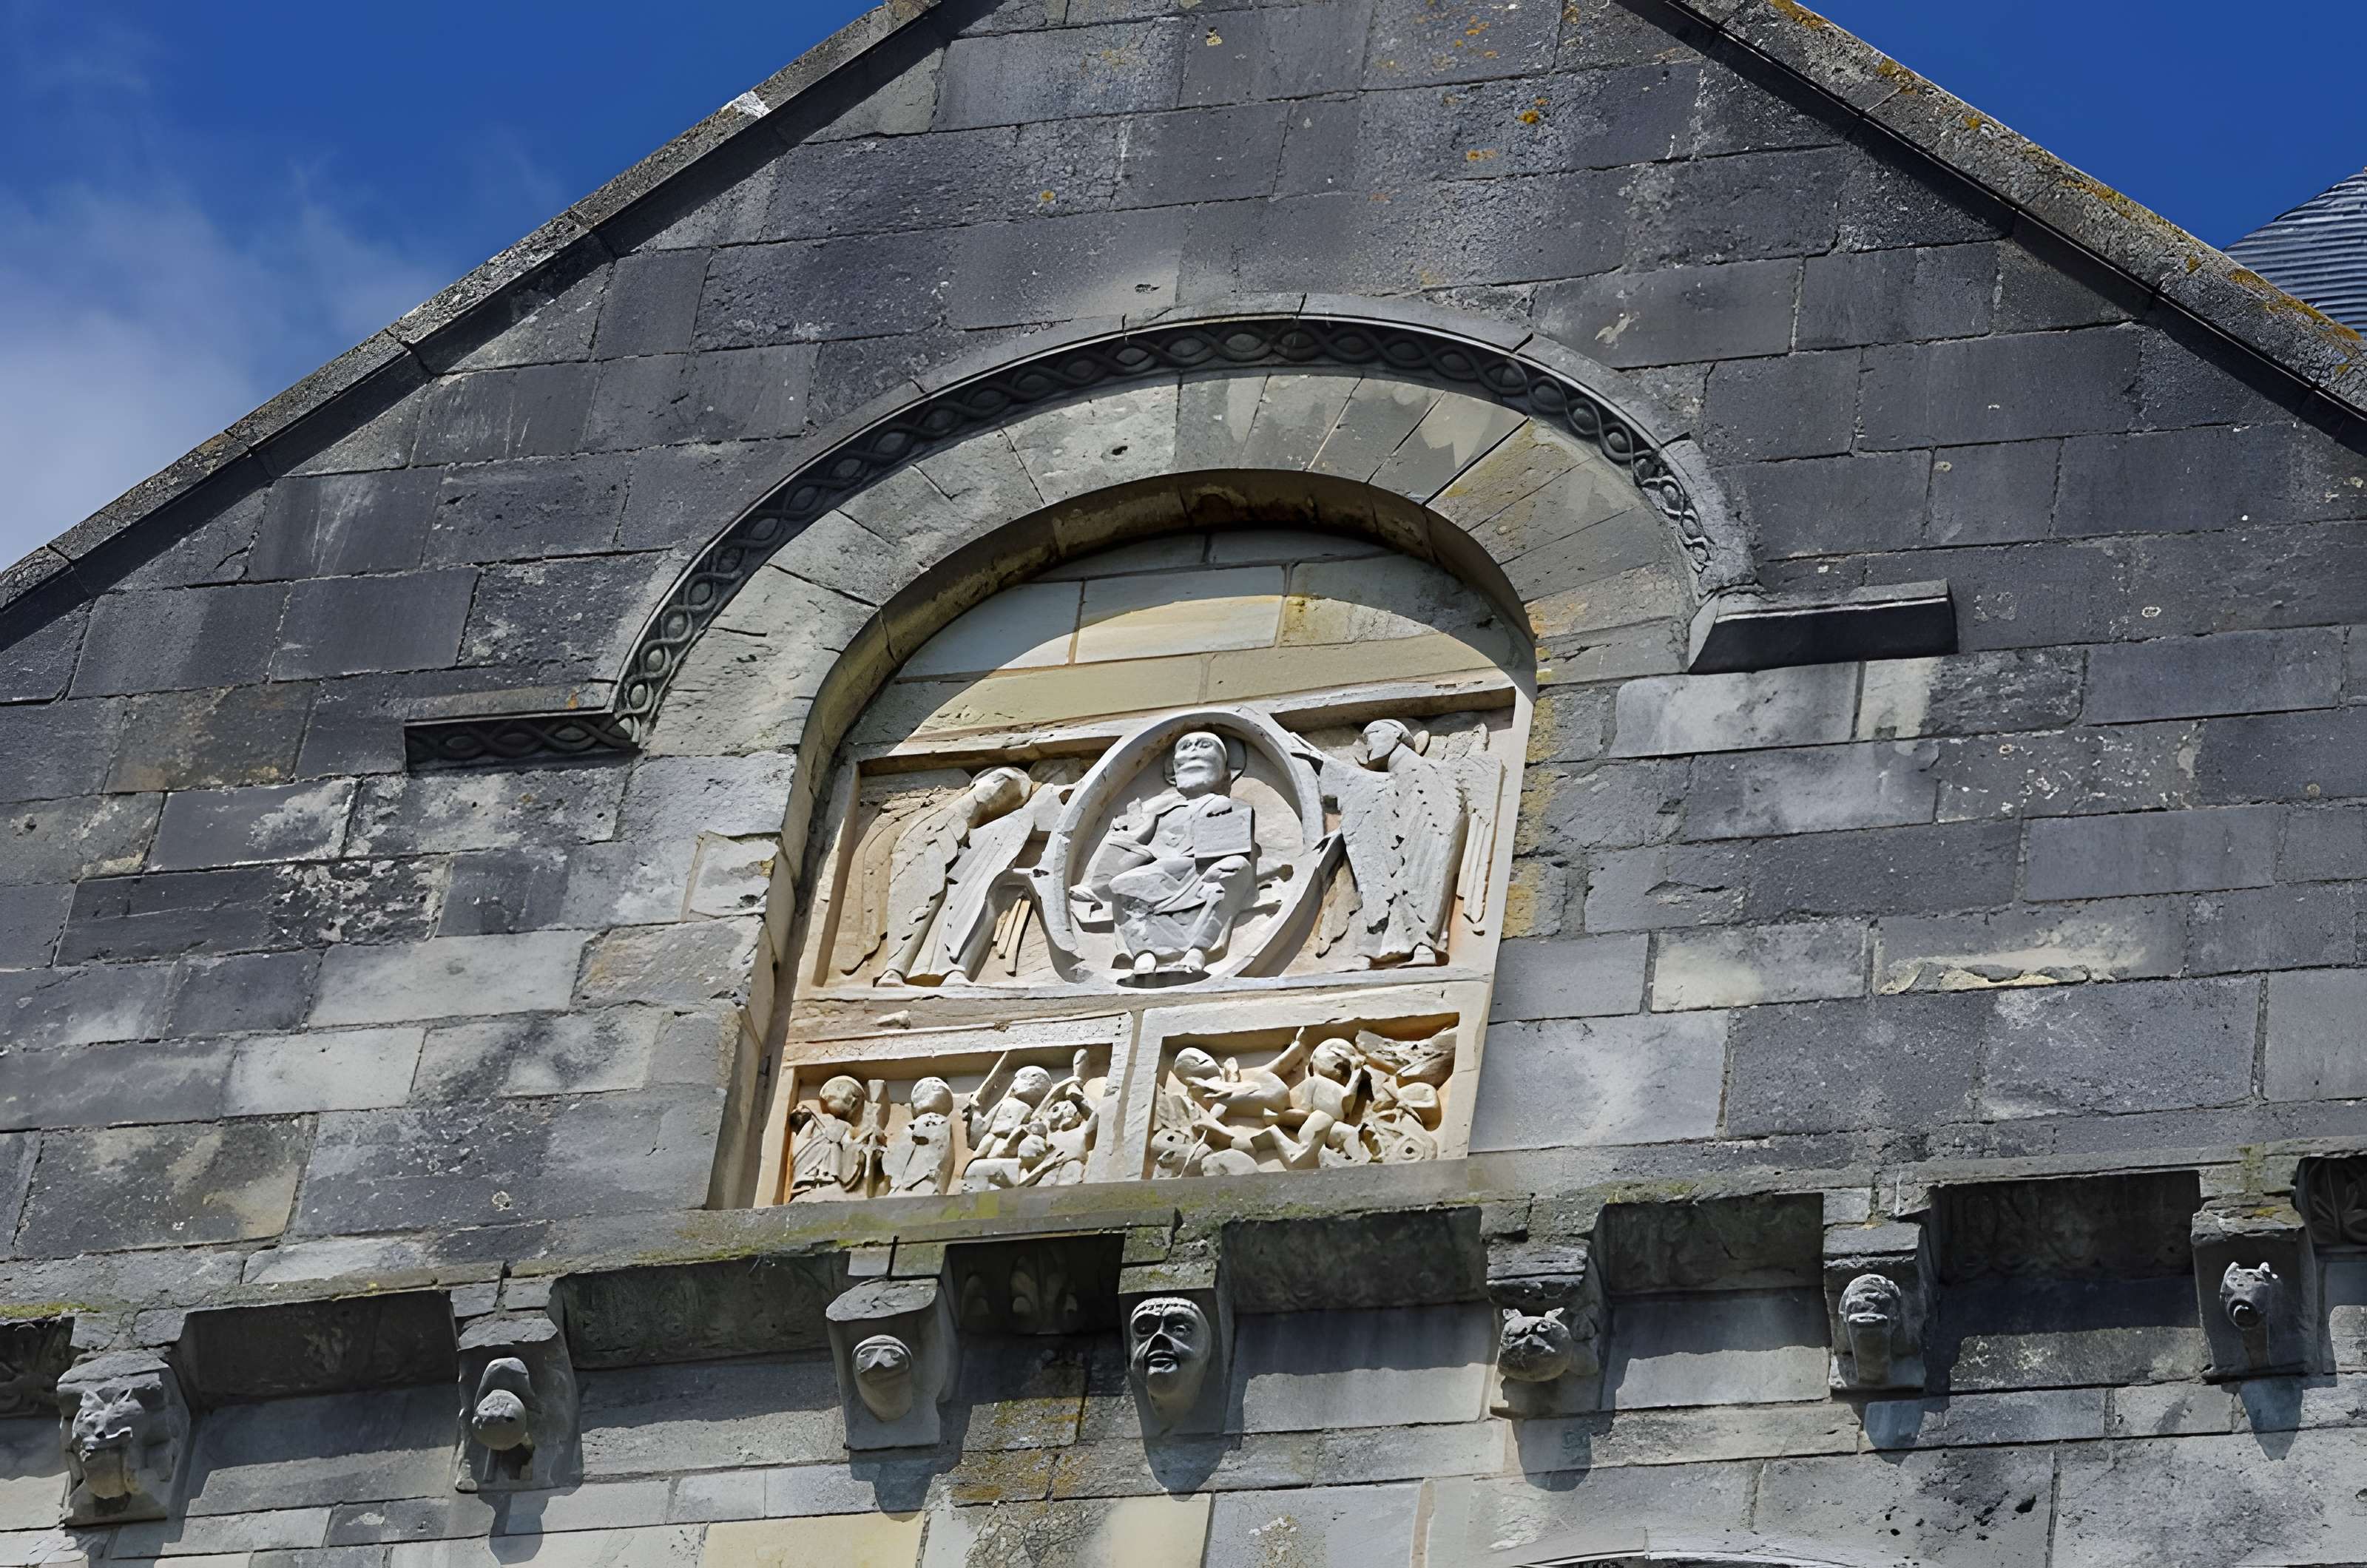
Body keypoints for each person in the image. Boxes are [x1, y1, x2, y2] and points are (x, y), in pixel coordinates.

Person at [1082, 730, 1261, 976]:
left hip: (1204, 871)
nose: (1194, 750)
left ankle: (1198, 951)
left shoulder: (1234, 806)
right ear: (1173, 772)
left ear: (1224, 772)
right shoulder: (1161, 811)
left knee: (1233, 871)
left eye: (1204, 746)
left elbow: (1233, 846)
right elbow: (1136, 851)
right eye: (1186, 747)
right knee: (1123, 884)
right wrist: (1140, 827)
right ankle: (1144, 953)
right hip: (1163, 872)